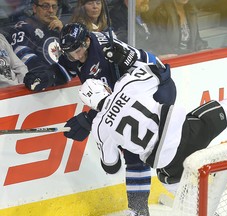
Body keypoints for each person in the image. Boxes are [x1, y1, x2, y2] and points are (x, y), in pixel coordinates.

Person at [78, 63, 227, 196]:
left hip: (170, 168)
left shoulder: (99, 128)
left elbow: (111, 168)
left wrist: (96, 129)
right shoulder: (125, 85)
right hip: (184, 133)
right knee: (220, 110)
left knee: (198, 205)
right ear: (106, 88)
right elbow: (160, 69)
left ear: (91, 105)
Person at [56, 23, 176, 216]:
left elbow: (151, 65)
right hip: (137, 94)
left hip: (156, 90)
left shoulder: (104, 54)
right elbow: (70, 66)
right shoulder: (82, 46)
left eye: (78, 51)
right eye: (72, 53)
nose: (76, 56)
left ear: (87, 42)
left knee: (145, 151)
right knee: (136, 151)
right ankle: (139, 209)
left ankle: (148, 206)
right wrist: (52, 73)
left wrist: (90, 120)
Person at [7, 0, 69, 91]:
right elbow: (25, 58)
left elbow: (77, 57)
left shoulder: (59, 29)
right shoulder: (22, 29)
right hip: (39, 87)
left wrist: (64, 33)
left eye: (54, 7)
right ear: (35, 8)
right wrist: (53, 75)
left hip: (62, 83)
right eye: (45, 6)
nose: (51, 10)